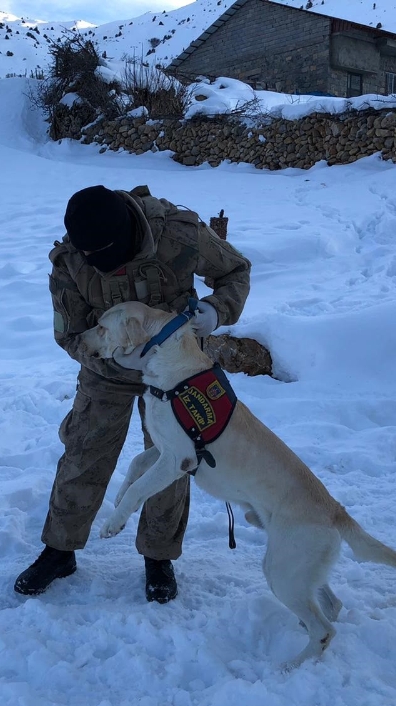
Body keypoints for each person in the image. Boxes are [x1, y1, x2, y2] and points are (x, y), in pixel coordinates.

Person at [14, 184, 251, 603]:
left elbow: (235, 271)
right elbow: (70, 334)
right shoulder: (70, 261)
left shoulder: (179, 233)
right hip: (107, 370)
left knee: (169, 457)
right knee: (84, 451)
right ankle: (60, 549)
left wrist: (216, 311)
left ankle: (158, 556)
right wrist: (117, 362)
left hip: (177, 368)